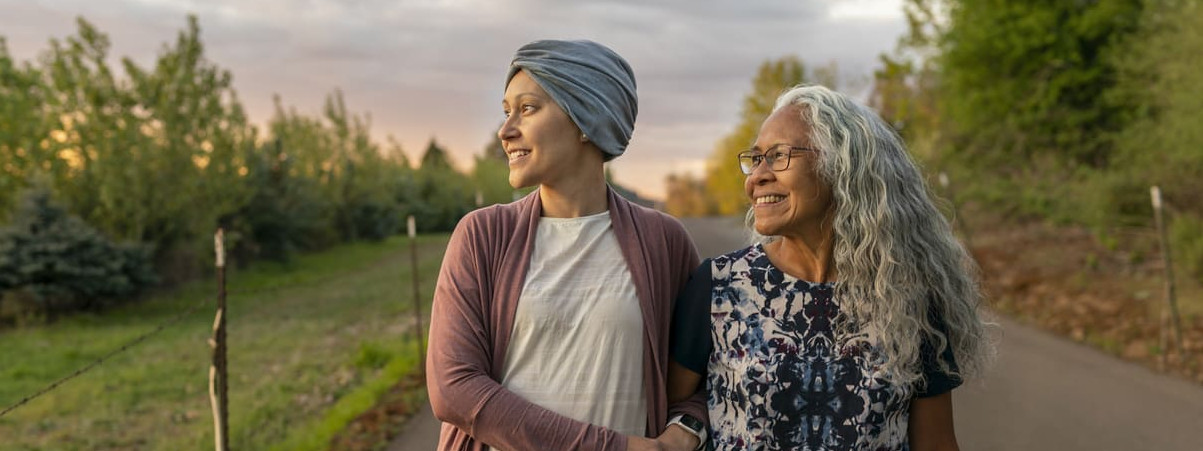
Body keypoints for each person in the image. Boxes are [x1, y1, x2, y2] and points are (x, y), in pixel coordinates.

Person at [668, 85, 994, 450]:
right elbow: (672, 408)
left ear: (841, 167)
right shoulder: (718, 288)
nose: (756, 176)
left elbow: (935, 444)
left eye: (777, 156)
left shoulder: (907, 297)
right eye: (755, 159)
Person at [426, 39, 708, 451]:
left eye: (527, 109)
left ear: (585, 120)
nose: (505, 131)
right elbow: (454, 388)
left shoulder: (663, 241)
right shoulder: (482, 236)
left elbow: (704, 372)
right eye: (506, 112)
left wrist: (686, 430)